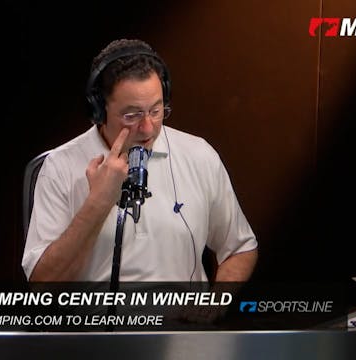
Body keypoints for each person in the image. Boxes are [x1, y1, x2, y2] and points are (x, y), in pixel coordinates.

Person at [22, 39, 257, 283]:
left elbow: (240, 248)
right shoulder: (59, 167)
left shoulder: (199, 155)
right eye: (131, 115)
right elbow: (44, 285)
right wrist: (99, 201)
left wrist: (214, 304)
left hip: (182, 320)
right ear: (99, 111)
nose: (147, 129)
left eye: (156, 111)